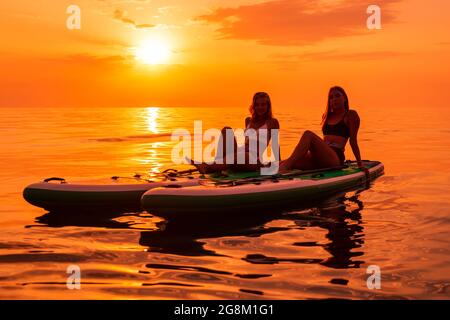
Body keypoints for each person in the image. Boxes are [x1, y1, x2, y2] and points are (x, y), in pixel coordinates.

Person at [191, 92, 280, 174]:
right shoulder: (248, 120)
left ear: (268, 106)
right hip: (239, 153)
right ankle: (215, 165)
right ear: (254, 106)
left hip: (253, 160)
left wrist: (277, 164)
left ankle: (208, 167)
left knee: (241, 156)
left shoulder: (272, 122)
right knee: (227, 130)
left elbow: (276, 147)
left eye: (263, 104)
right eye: (257, 105)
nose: (260, 107)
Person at [279, 86, 362, 172]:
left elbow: (353, 141)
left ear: (344, 98)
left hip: (334, 157)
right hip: (319, 156)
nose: (334, 99)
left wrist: (360, 164)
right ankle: (271, 171)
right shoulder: (327, 117)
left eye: (337, 96)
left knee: (308, 135)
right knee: (286, 162)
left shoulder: (351, 115)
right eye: (331, 97)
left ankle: (284, 168)